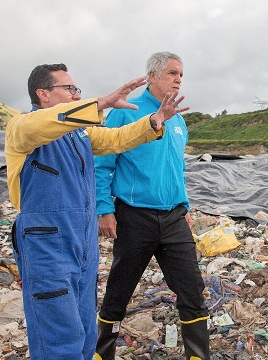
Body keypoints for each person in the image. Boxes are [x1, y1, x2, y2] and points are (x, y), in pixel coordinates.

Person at [5, 63, 188, 360]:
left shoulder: (79, 134)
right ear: (44, 94)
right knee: (58, 332)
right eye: (70, 89)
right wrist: (101, 102)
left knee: (84, 327)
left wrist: (154, 120)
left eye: (78, 89)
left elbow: (117, 140)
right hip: (46, 244)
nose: (77, 95)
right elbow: (41, 125)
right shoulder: (22, 128)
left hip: (82, 241)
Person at [94, 52, 210, 360]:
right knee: (119, 289)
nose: (178, 79)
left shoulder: (178, 120)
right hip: (134, 216)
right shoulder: (127, 112)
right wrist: (104, 209)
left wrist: (184, 207)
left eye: (181, 74)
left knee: (192, 288)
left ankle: (198, 355)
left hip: (173, 218)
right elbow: (102, 163)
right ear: (152, 77)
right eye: (172, 73)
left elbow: (176, 169)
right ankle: (101, 353)